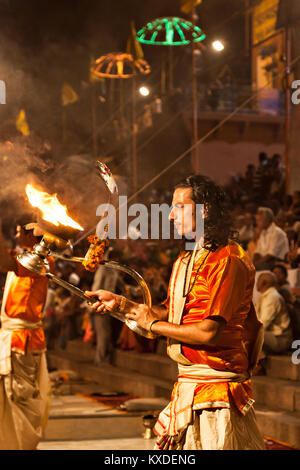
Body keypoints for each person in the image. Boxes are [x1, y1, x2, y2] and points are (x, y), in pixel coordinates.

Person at [86, 175, 265, 450]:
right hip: (187, 385)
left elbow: (207, 331)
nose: (170, 216)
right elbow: (171, 312)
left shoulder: (229, 259)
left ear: (204, 211)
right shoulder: (185, 258)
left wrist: (152, 325)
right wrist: (123, 305)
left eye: (179, 207)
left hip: (217, 393)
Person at [0, 218, 53, 450]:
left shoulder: (38, 261)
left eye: (19, 230)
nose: (16, 234)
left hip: (23, 341)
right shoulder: (23, 255)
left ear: (32, 236)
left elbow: (3, 262)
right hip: (13, 337)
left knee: (20, 399)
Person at [255, 272, 293, 357]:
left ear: (264, 283)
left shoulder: (272, 297)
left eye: (257, 281)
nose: (256, 283)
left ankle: (258, 366)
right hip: (273, 335)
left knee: (252, 334)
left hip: (280, 338)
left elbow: (263, 324)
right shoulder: (266, 296)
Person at [253, 207, 289, 271]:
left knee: (253, 269)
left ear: (267, 220)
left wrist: (256, 263)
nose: (257, 223)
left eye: (259, 220)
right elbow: (258, 252)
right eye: (257, 220)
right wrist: (252, 263)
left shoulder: (277, 232)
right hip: (265, 261)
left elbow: (271, 254)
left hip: (276, 262)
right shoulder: (263, 233)